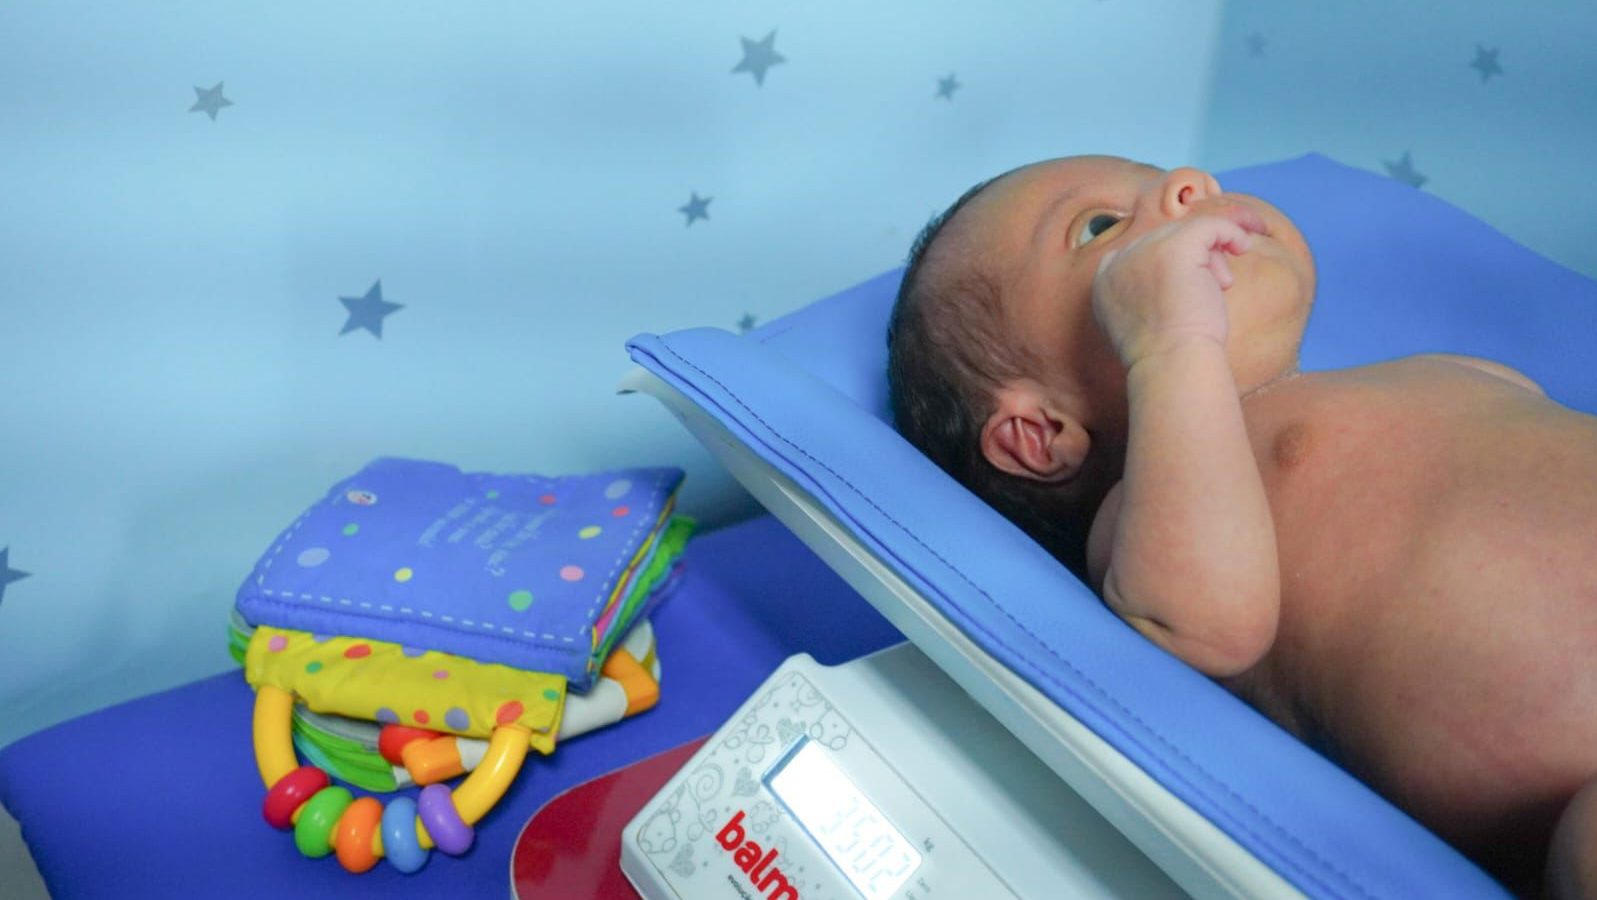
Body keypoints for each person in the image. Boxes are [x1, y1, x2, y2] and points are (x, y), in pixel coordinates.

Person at [886, 154, 1597, 897]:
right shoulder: (1144, 513)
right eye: (1099, 226)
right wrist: (1168, 347)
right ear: (1040, 434)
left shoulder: (1446, 372)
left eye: (1177, 181)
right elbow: (1210, 623)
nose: (1190, 183)